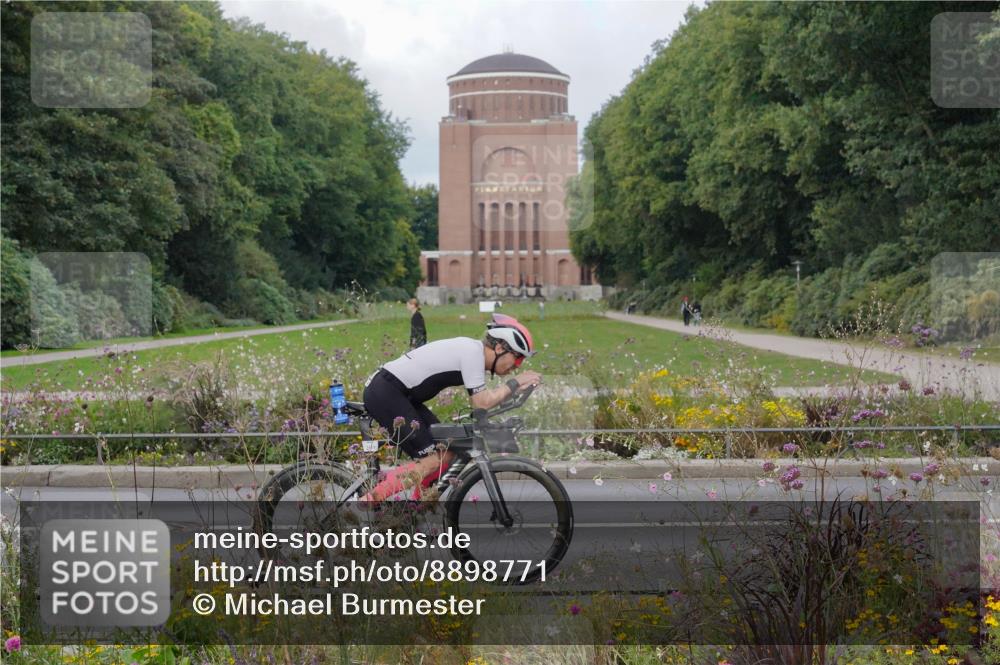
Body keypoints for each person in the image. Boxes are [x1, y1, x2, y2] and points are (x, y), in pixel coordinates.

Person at [359, 313, 541, 503]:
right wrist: (514, 383)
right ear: (499, 348)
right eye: (518, 358)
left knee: (447, 450)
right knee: (434, 459)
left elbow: (484, 404)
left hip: (400, 394)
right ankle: (368, 501)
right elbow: (482, 402)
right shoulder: (473, 353)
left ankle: (416, 508)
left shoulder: (474, 353)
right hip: (387, 391)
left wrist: (513, 389)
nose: (518, 366)